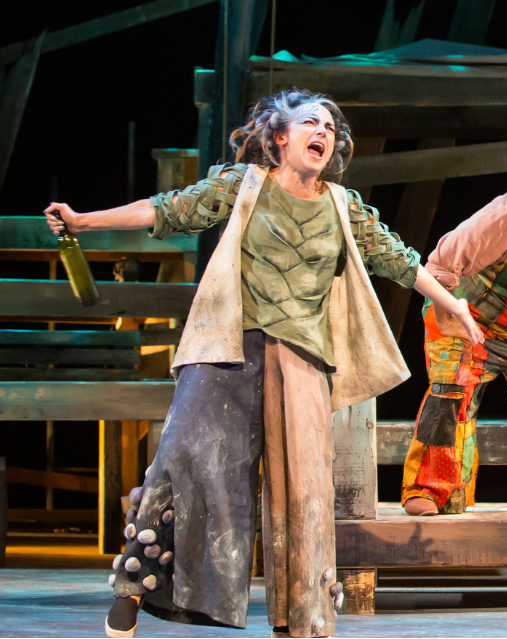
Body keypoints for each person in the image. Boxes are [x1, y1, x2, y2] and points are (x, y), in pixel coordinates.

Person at [45, 89, 482, 639]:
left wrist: (455, 307)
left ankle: (299, 618)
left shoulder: (343, 206)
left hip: (303, 359)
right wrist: (83, 221)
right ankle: (136, 588)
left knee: (303, 493)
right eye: (310, 122)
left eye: (330, 127)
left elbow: (398, 260)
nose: (323, 132)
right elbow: (168, 210)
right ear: (279, 137)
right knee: (187, 460)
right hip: (228, 350)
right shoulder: (243, 184)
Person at [402, 154, 507, 517]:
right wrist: (447, 321)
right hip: (470, 319)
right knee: (452, 387)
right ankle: (432, 490)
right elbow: (441, 264)